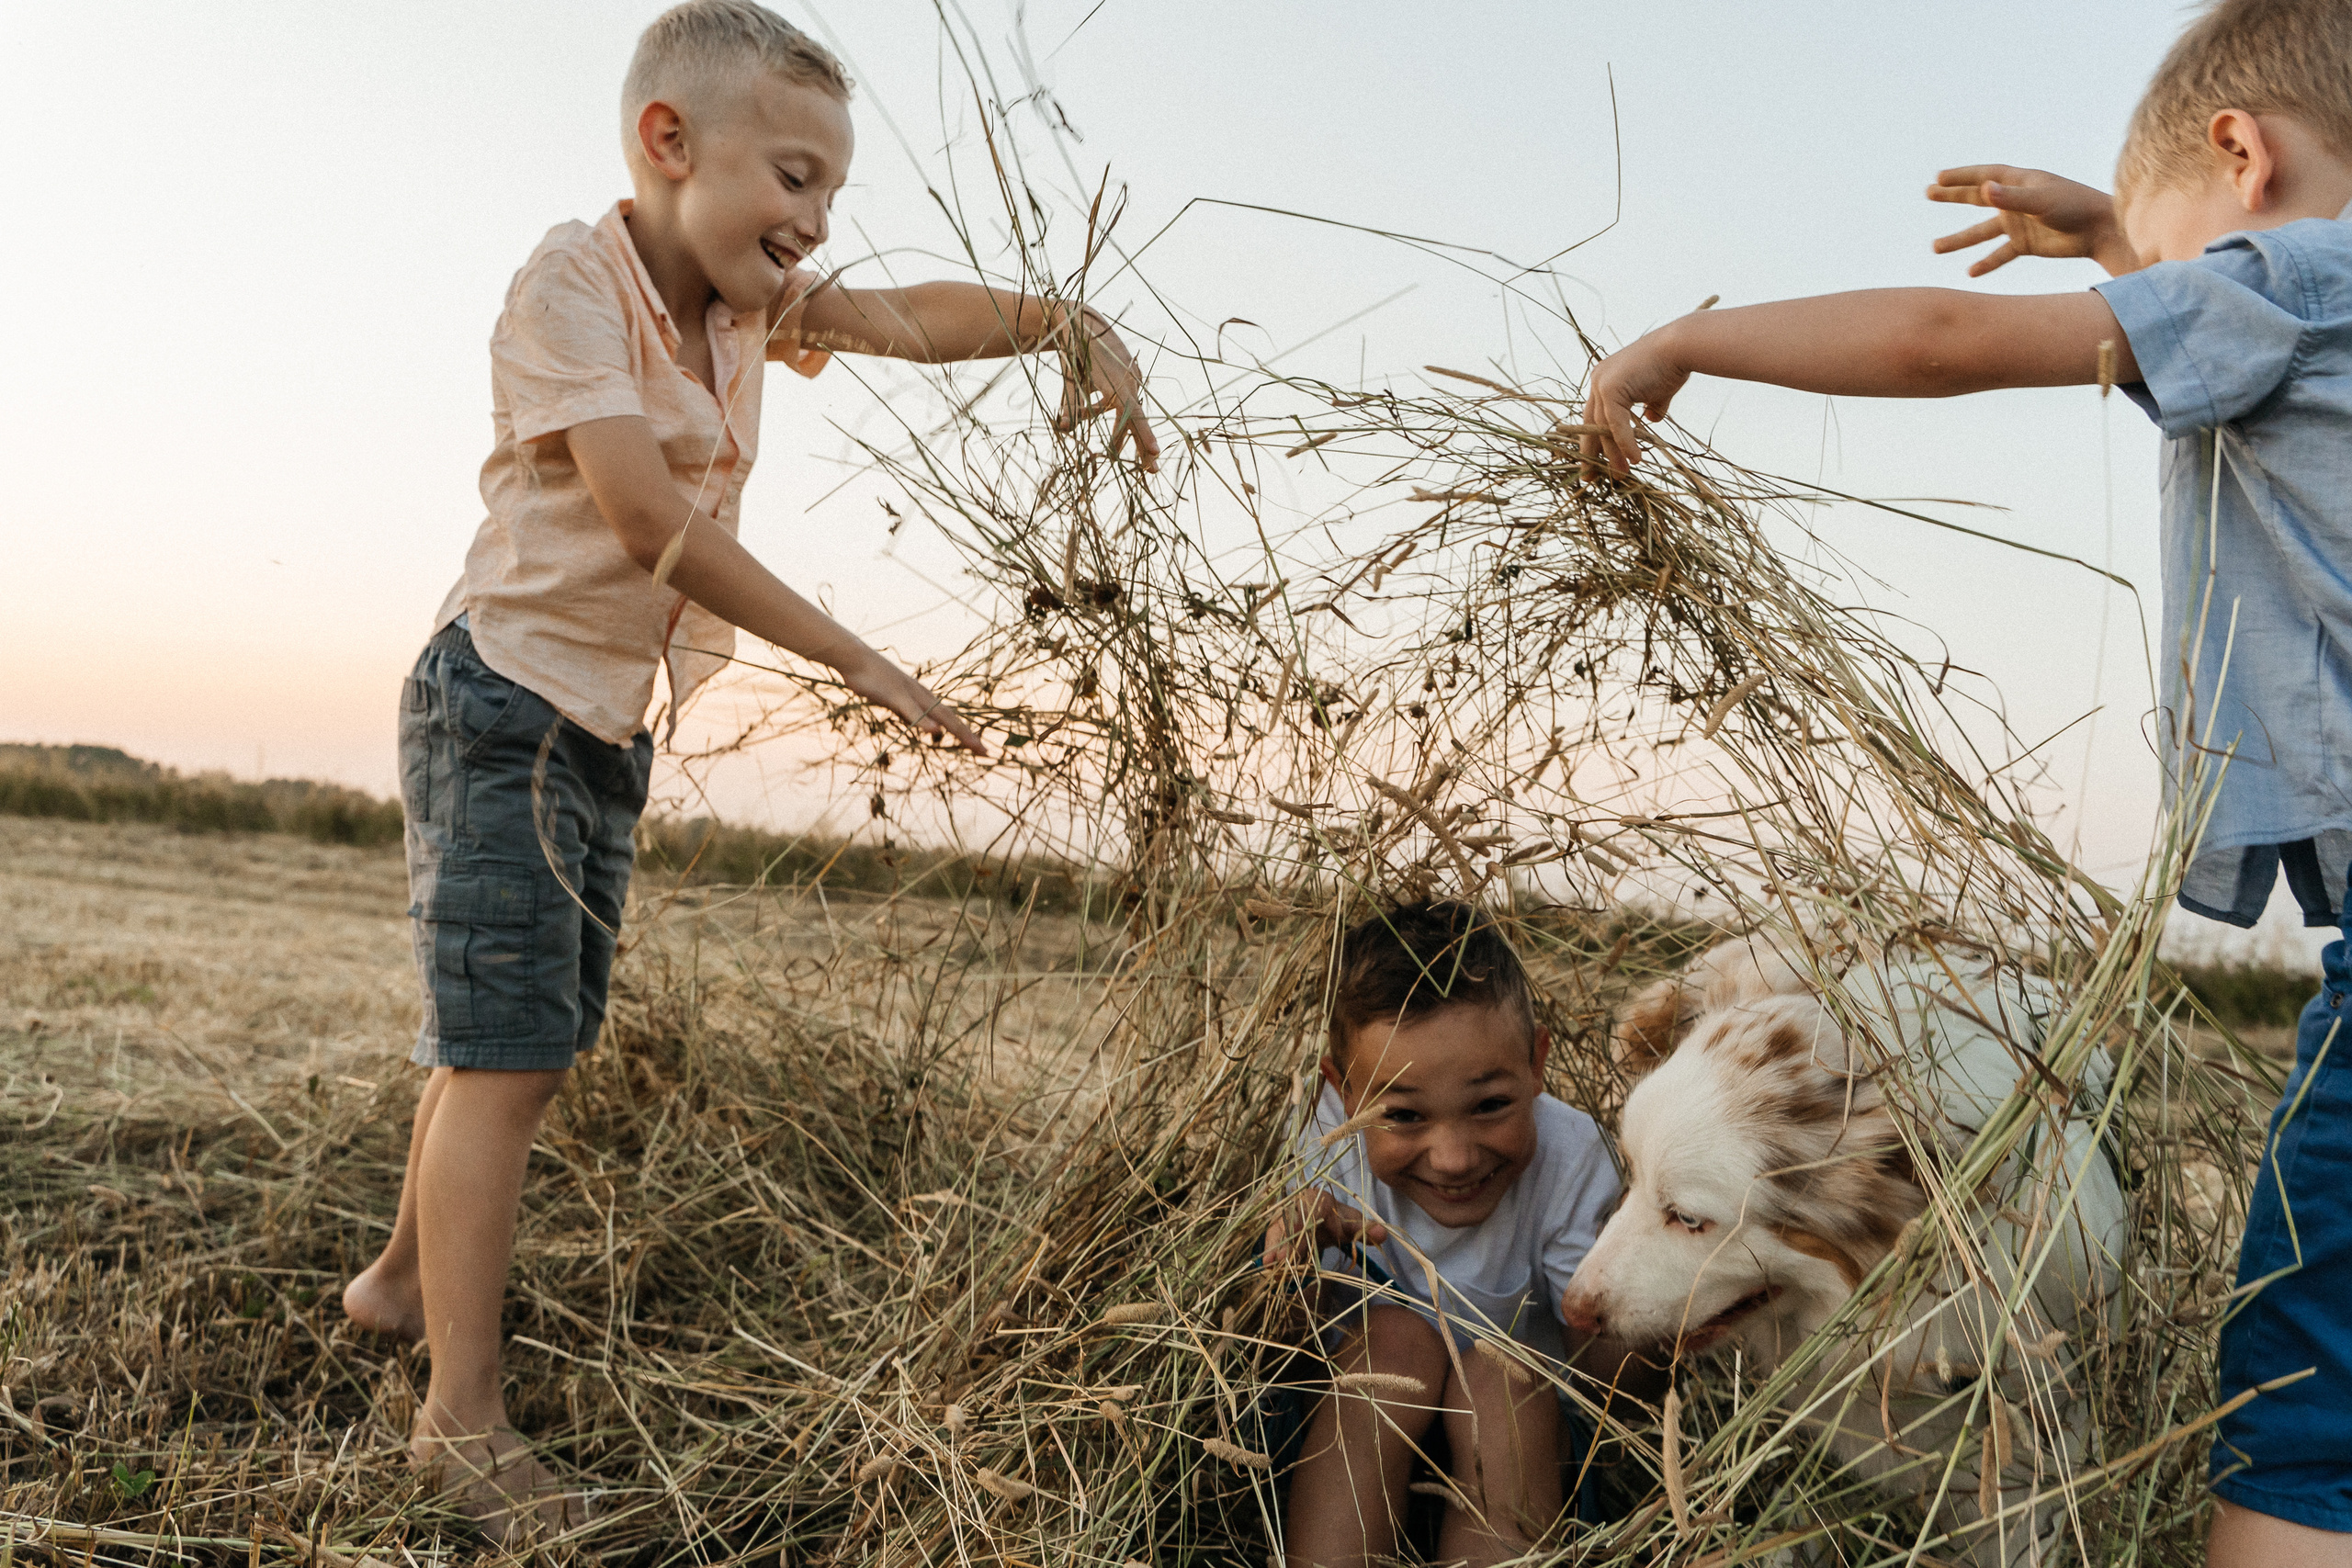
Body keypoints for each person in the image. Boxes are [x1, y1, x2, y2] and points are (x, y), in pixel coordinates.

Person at [337, 0, 1158, 1540]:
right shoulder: (572, 284)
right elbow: (651, 523)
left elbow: (906, 316)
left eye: (829, 196)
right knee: (504, 1056)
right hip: (502, 701)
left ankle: (394, 1281)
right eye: (792, 178)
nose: (812, 223)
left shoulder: (738, 307)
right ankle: (458, 1419)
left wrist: (1068, 322)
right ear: (667, 144)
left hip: (596, 721)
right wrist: (854, 654)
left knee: (521, 1035)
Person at [1577, 2, 2352, 1562]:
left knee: (2302, 1391)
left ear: (2244, 158)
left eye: (2176, 258)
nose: (2163, 301)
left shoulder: (2297, 275)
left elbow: (1944, 340)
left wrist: (1685, 343)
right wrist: (2124, 232)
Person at [1264, 901, 1625, 1568]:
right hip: (1350, 1441)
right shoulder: (1324, 1146)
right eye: (1403, 1115)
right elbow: (1275, 1347)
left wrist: (1616, 1314)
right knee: (1394, 1342)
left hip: (1520, 1450)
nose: (1454, 1156)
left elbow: (1611, 1382)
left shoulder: (1573, 1159)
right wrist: (1289, 1264)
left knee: (1503, 1373)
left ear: (1537, 1063)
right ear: (1343, 1094)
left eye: (1490, 1105)